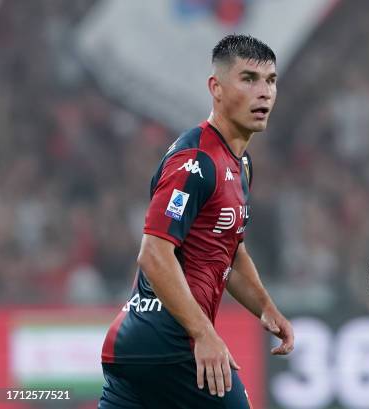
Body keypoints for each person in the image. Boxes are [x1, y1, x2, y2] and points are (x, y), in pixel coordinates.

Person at [98, 34, 294, 409]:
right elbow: (153, 254)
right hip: (169, 343)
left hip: (135, 347)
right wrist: (204, 334)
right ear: (216, 88)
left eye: (270, 81)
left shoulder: (240, 164)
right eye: (249, 79)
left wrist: (266, 308)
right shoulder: (196, 160)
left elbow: (230, 252)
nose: (264, 92)